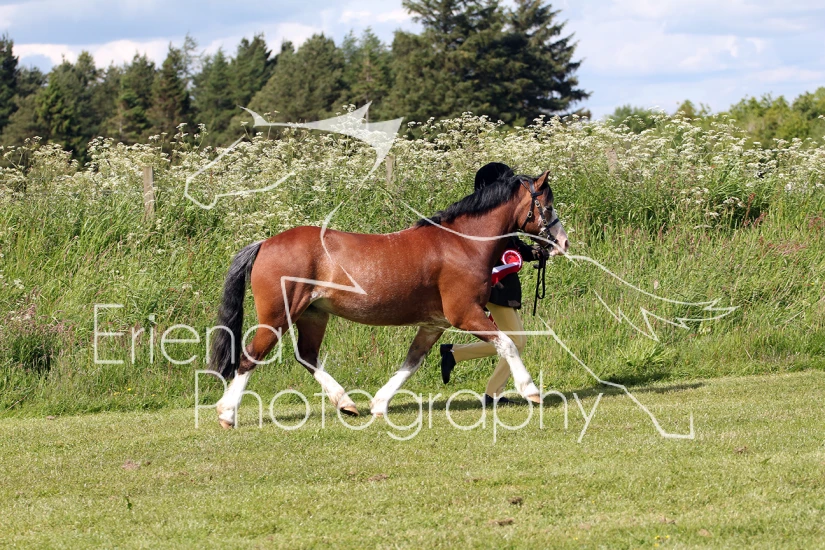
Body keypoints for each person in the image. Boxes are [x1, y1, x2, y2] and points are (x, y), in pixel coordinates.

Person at [440, 162, 549, 406]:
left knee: (508, 340)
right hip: (495, 284)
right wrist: (532, 251)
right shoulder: (489, 219)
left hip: (499, 284)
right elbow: (506, 248)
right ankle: (492, 394)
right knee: (517, 341)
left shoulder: (492, 217)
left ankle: (454, 353)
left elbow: (513, 246)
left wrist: (534, 252)